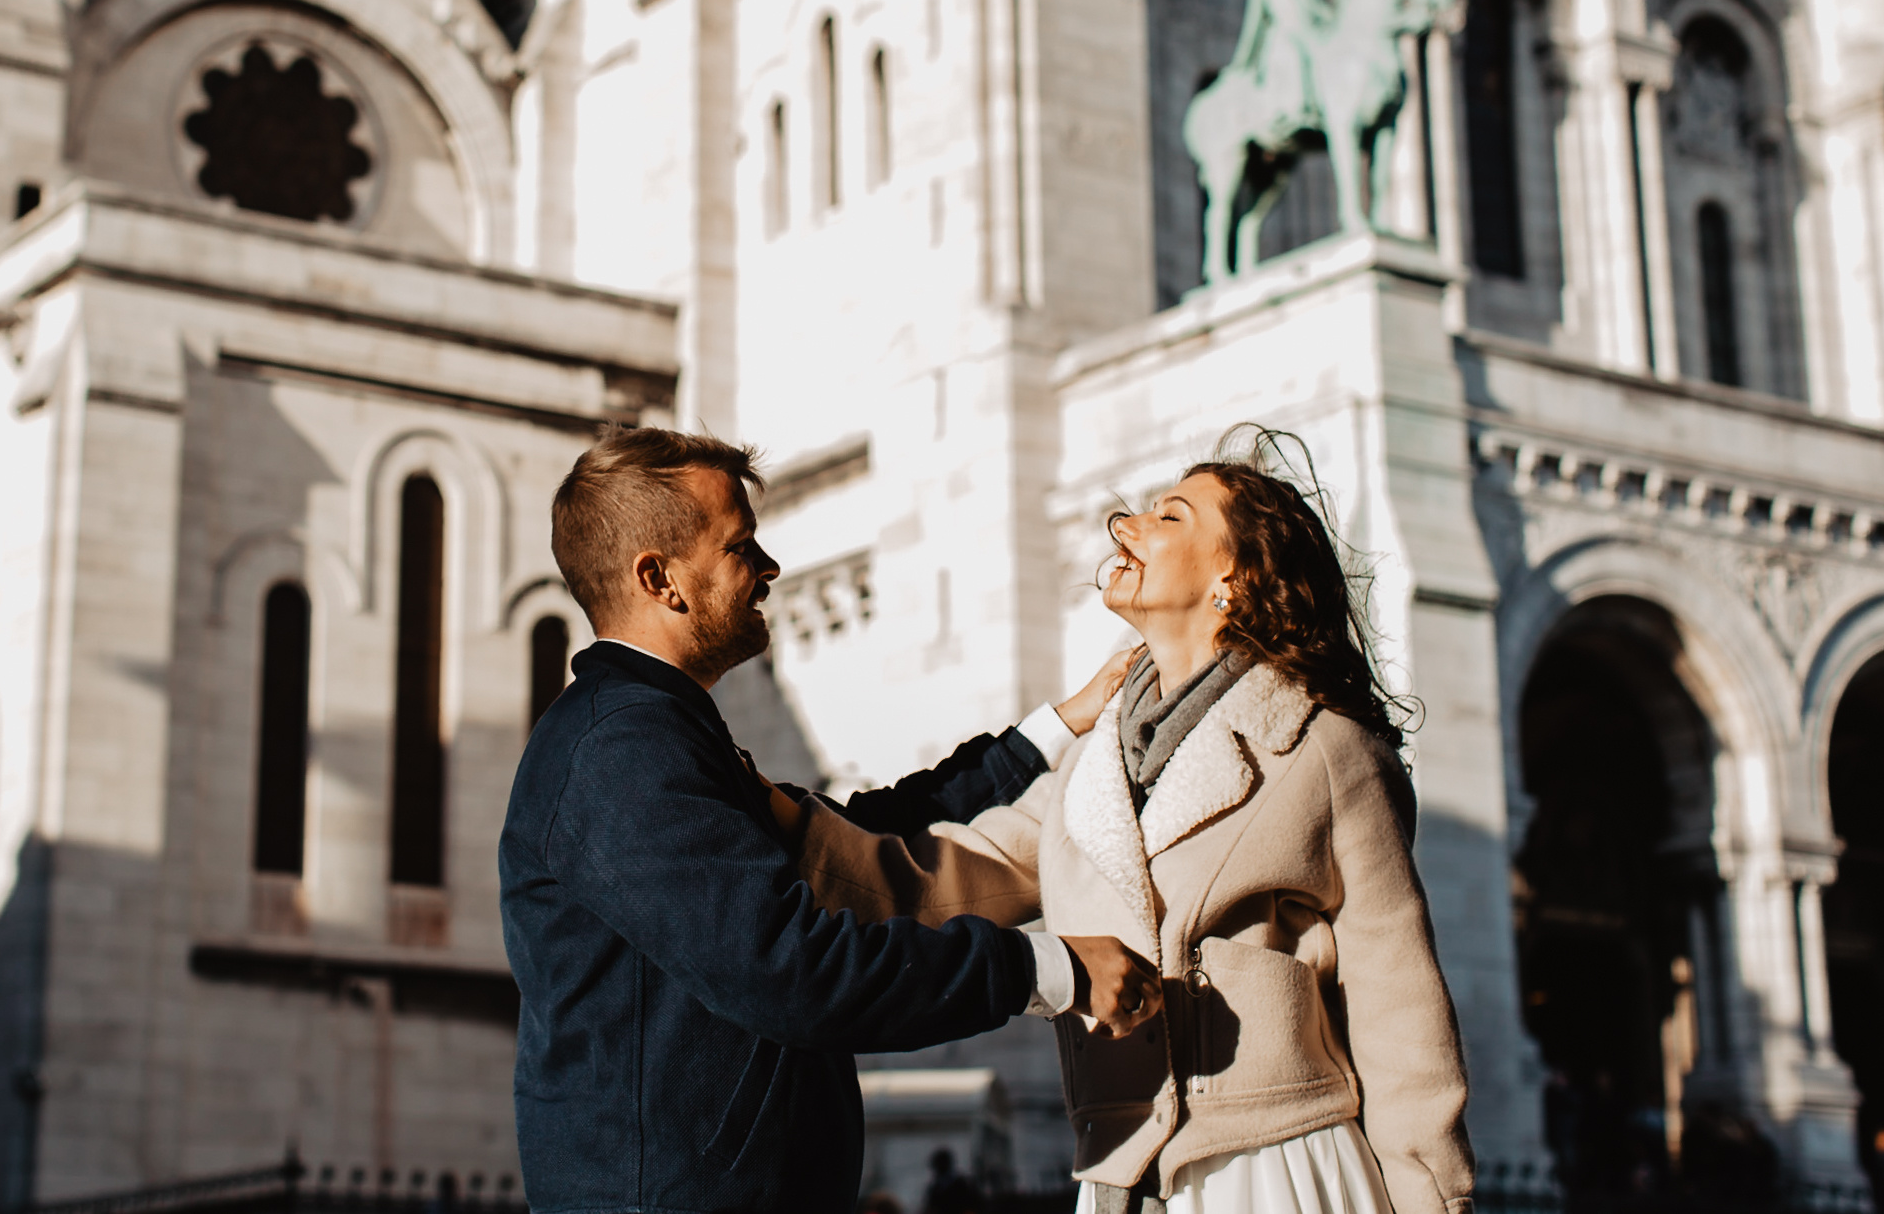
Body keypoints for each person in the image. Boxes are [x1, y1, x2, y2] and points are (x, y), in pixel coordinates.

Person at [782, 428, 1475, 1214]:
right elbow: (942, 877)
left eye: (1170, 517)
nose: (1126, 527)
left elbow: (1400, 1011)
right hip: (1117, 1171)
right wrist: (777, 821)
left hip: (1274, 1169)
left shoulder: (1326, 750)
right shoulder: (1092, 765)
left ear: (1234, 581)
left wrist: (1433, 1198)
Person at [500, 426, 1163, 1214]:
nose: (771, 569)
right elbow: (789, 970)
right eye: (742, 546)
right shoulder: (622, 749)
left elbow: (853, 844)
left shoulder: (658, 730)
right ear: (661, 578)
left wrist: (1054, 729)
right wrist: (1051, 971)